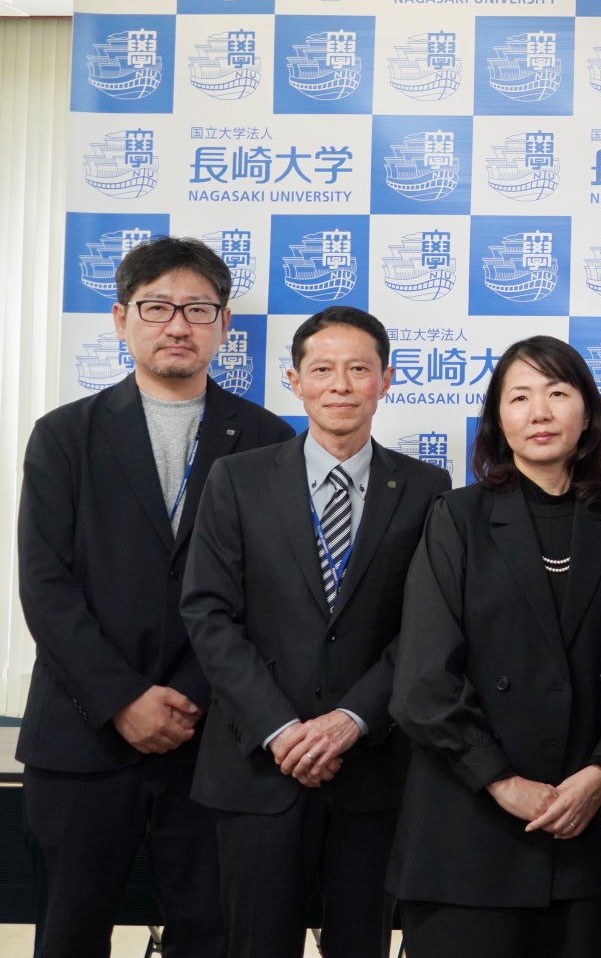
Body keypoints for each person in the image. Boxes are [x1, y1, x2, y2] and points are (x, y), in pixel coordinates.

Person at [17, 236, 294, 958]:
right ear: (121, 318)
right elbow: (45, 586)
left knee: (211, 935)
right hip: (82, 736)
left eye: (198, 309)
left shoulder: (267, 440)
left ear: (224, 326)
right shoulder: (64, 436)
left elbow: (272, 598)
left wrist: (194, 694)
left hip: (215, 738)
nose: (178, 325)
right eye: (157, 307)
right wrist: (123, 700)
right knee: (68, 935)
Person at [181, 305, 450, 958]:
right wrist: (280, 728)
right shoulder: (238, 479)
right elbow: (209, 613)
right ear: (295, 380)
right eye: (322, 369)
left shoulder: (427, 488)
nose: (341, 385)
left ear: (386, 380)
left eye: (359, 369)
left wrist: (351, 720)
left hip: (372, 771)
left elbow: (427, 627)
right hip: (258, 765)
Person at [390, 335, 601, 957]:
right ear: (498, 419)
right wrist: (500, 781)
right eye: (519, 397)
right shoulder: (457, 517)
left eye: (558, 393)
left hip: (592, 831)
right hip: (468, 828)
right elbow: (423, 678)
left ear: (589, 413)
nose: (540, 412)